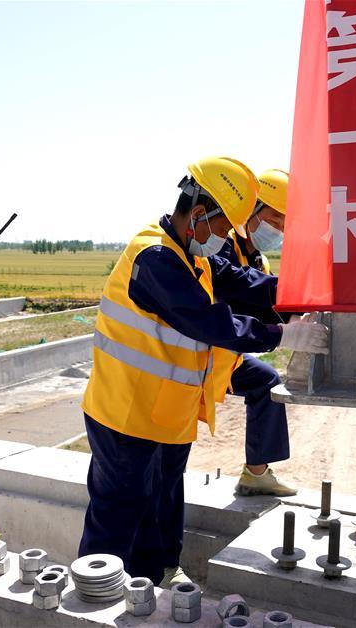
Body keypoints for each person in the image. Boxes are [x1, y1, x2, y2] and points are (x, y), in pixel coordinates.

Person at [78, 157, 328, 587]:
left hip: (167, 413)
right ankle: (95, 596)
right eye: (223, 228)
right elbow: (207, 321)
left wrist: (306, 290)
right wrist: (282, 336)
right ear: (197, 215)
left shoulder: (193, 255)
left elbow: (247, 285)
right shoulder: (154, 257)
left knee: (165, 501)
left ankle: (157, 575)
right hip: (124, 414)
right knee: (120, 511)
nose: (227, 239)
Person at [209, 168, 297, 496]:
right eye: (275, 220)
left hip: (223, 351)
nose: (279, 230)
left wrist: (299, 314)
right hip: (199, 349)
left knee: (266, 383)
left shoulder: (258, 257)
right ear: (251, 210)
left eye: (285, 225)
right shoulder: (220, 244)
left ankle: (256, 473)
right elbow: (238, 290)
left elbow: (263, 305)